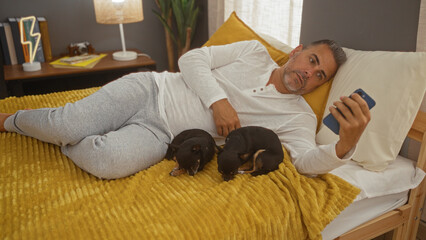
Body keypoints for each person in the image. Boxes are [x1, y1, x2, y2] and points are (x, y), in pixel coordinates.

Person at [0, 39, 370, 179]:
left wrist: (342, 148)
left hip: (163, 137)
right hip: (149, 91)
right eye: (311, 59)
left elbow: (304, 162)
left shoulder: (298, 116)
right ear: (297, 51)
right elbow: (192, 58)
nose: (308, 73)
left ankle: (65, 132)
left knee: (107, 163)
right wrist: (218, 102)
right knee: (70, 121)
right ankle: (13, 121)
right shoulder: (252, 51)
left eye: (319, 75)